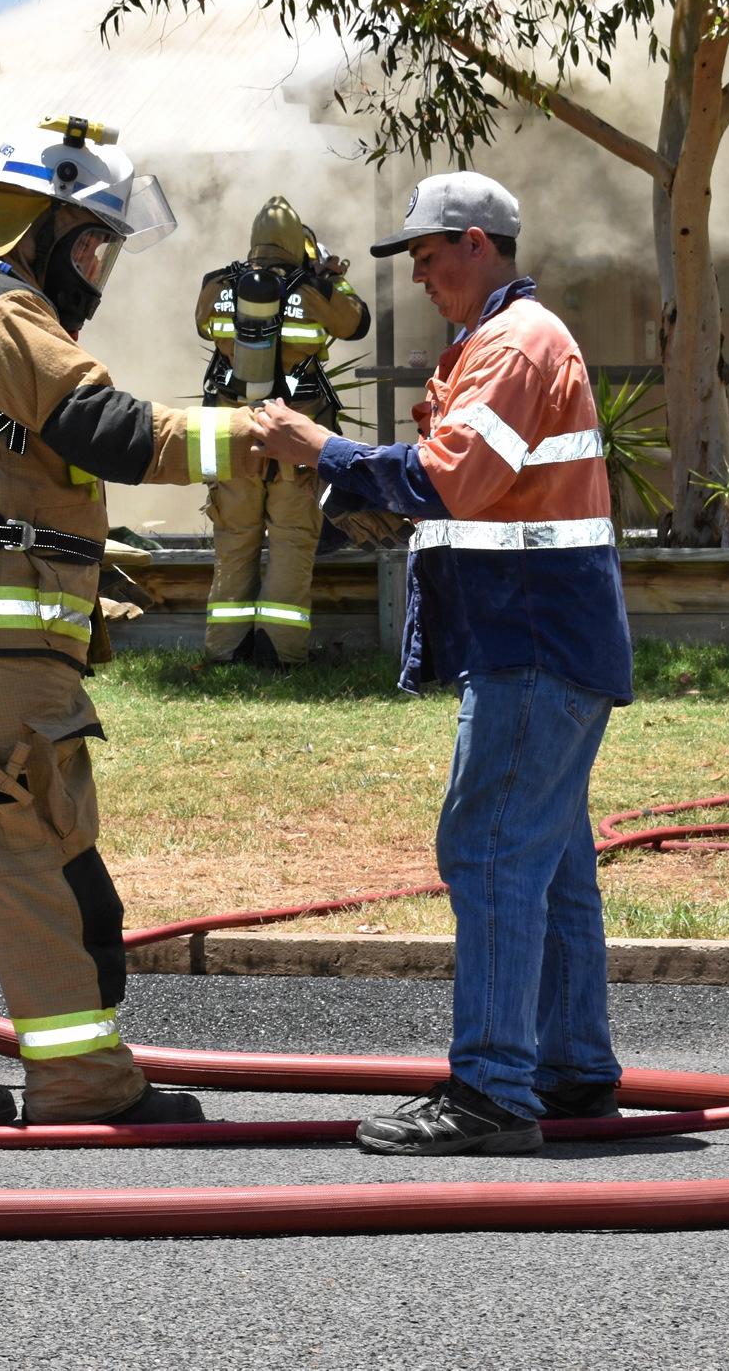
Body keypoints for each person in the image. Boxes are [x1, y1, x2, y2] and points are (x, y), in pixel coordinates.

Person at [0, 117, 259, 1130]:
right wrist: (252, 436)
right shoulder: (1, 303)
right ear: (33, 225)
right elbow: (103, 429)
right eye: (89, 242)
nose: (98, 267)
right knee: (35, 843)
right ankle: (83, 1078)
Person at [250, 170, 634, 1156]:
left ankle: (495, 1090)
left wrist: (325, 448)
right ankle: (571, 1072)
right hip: (544, 641)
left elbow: (454, 479)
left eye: (425, 257)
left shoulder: (513, 344)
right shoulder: (499, 341)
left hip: (532, 643)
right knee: (549, 865)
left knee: (493, 852)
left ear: (475, 242)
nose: (417, 277)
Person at [194, 196, 370, 667]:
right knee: (292, 537)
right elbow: (356, 323)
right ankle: (280, 652)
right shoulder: (314, 289)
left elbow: (201, 325)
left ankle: (225, 651)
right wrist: (331, 275)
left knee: (235, 539)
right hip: (297, 434)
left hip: (233, 434)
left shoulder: (218, 282)